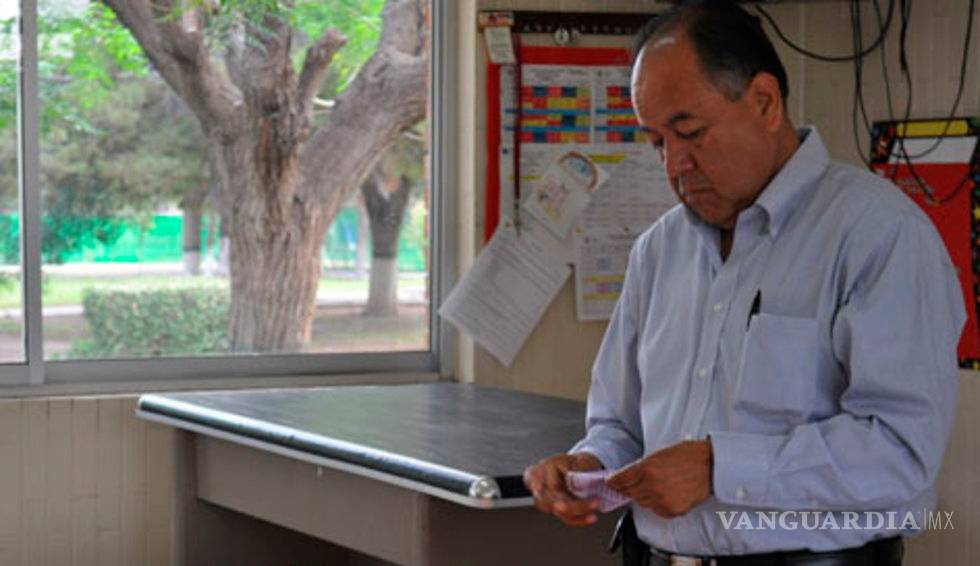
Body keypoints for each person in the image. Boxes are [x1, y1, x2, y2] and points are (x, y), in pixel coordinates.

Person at [523, 1, 965, 565]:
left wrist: (719, 467)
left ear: (764, 102)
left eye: (690, 132)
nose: (674, 164)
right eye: (656, 142)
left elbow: (900, 452)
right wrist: (590, 464)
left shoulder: (879, 235)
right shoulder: (658, 250)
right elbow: (620, 423)